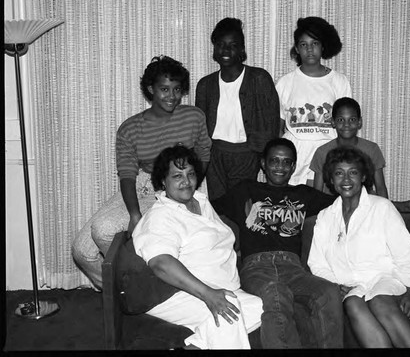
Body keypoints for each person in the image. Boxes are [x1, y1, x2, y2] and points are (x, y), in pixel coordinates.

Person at [72, 56, 212, 290]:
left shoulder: (194, 116)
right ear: (151, 89)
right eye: (164, 89)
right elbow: (127, 173)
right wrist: (134, 214)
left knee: (103, 230)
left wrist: (191, 184)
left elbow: (204, 152)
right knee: (82, 250)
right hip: (145, 184)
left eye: (177, 89)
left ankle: (142, 284)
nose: (172, 96)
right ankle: (124, 289)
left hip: (178, 182)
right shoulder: (130, 127)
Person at [211, 138, 343, 349]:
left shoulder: (303, 194)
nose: (280, 167)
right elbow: (208, 207)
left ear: (293, 167)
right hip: (256, 269)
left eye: (286, 162)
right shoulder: (246, 190)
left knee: (328, 292)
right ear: (263, 163)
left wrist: (399, 205)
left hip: (293, 269)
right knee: (275, 293)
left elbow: (348, 200)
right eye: (274, 161)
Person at [133, 145, 263, 350]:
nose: (186, 181)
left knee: (260, 308)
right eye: (177, 176)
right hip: (176, 292)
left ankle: (197, 345)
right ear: (162, 181)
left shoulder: (201, 202)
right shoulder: (161, 216)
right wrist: (208, 294)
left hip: (221, 286)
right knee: (230, 312)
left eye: (190, 174)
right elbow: (161, 263)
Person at [308, 146, 410, 348]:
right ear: (331, 179)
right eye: (339, 173)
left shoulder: (382, 207)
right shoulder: (325, 217)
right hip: (355, 287)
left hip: (390, 278)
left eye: (353, 172)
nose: (346, 179)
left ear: (363, 176)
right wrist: (335, 286)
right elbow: (317, 262)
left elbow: (408, 255)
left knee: (380, 299)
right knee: (352, 303)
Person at [195, 17, 280, 200]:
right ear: (214, 48)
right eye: (220, 44)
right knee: (218, 207)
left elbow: (272, 122)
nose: (225, 50)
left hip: (247, 154)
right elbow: (199, 129)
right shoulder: (205, 85)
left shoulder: (259, 78)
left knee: (240, 206)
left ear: (241, 49)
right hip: (214, 156)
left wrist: (264, 155)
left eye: (233, 45)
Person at [310, 97, 410, 215]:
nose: (347, 124)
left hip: (366, 207)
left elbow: (380, 187)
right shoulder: (322, 152)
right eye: (341, 120)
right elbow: (317, 193)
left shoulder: (371, 149)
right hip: (333, 208)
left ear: (359, 122)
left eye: (352, 119)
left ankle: (398, 207)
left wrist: (386, 212)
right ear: (333, 122)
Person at [276, 16, 352, 187]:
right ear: (297, 48)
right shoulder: (285, 82)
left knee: (323, 205)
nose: (309, 49)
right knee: (296, 207)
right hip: (296, 153)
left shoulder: (339, 81)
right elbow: (278, 127)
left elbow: (346, 125)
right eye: (304, 44)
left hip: (327, 152)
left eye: (315, 43)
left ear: (322, 46)